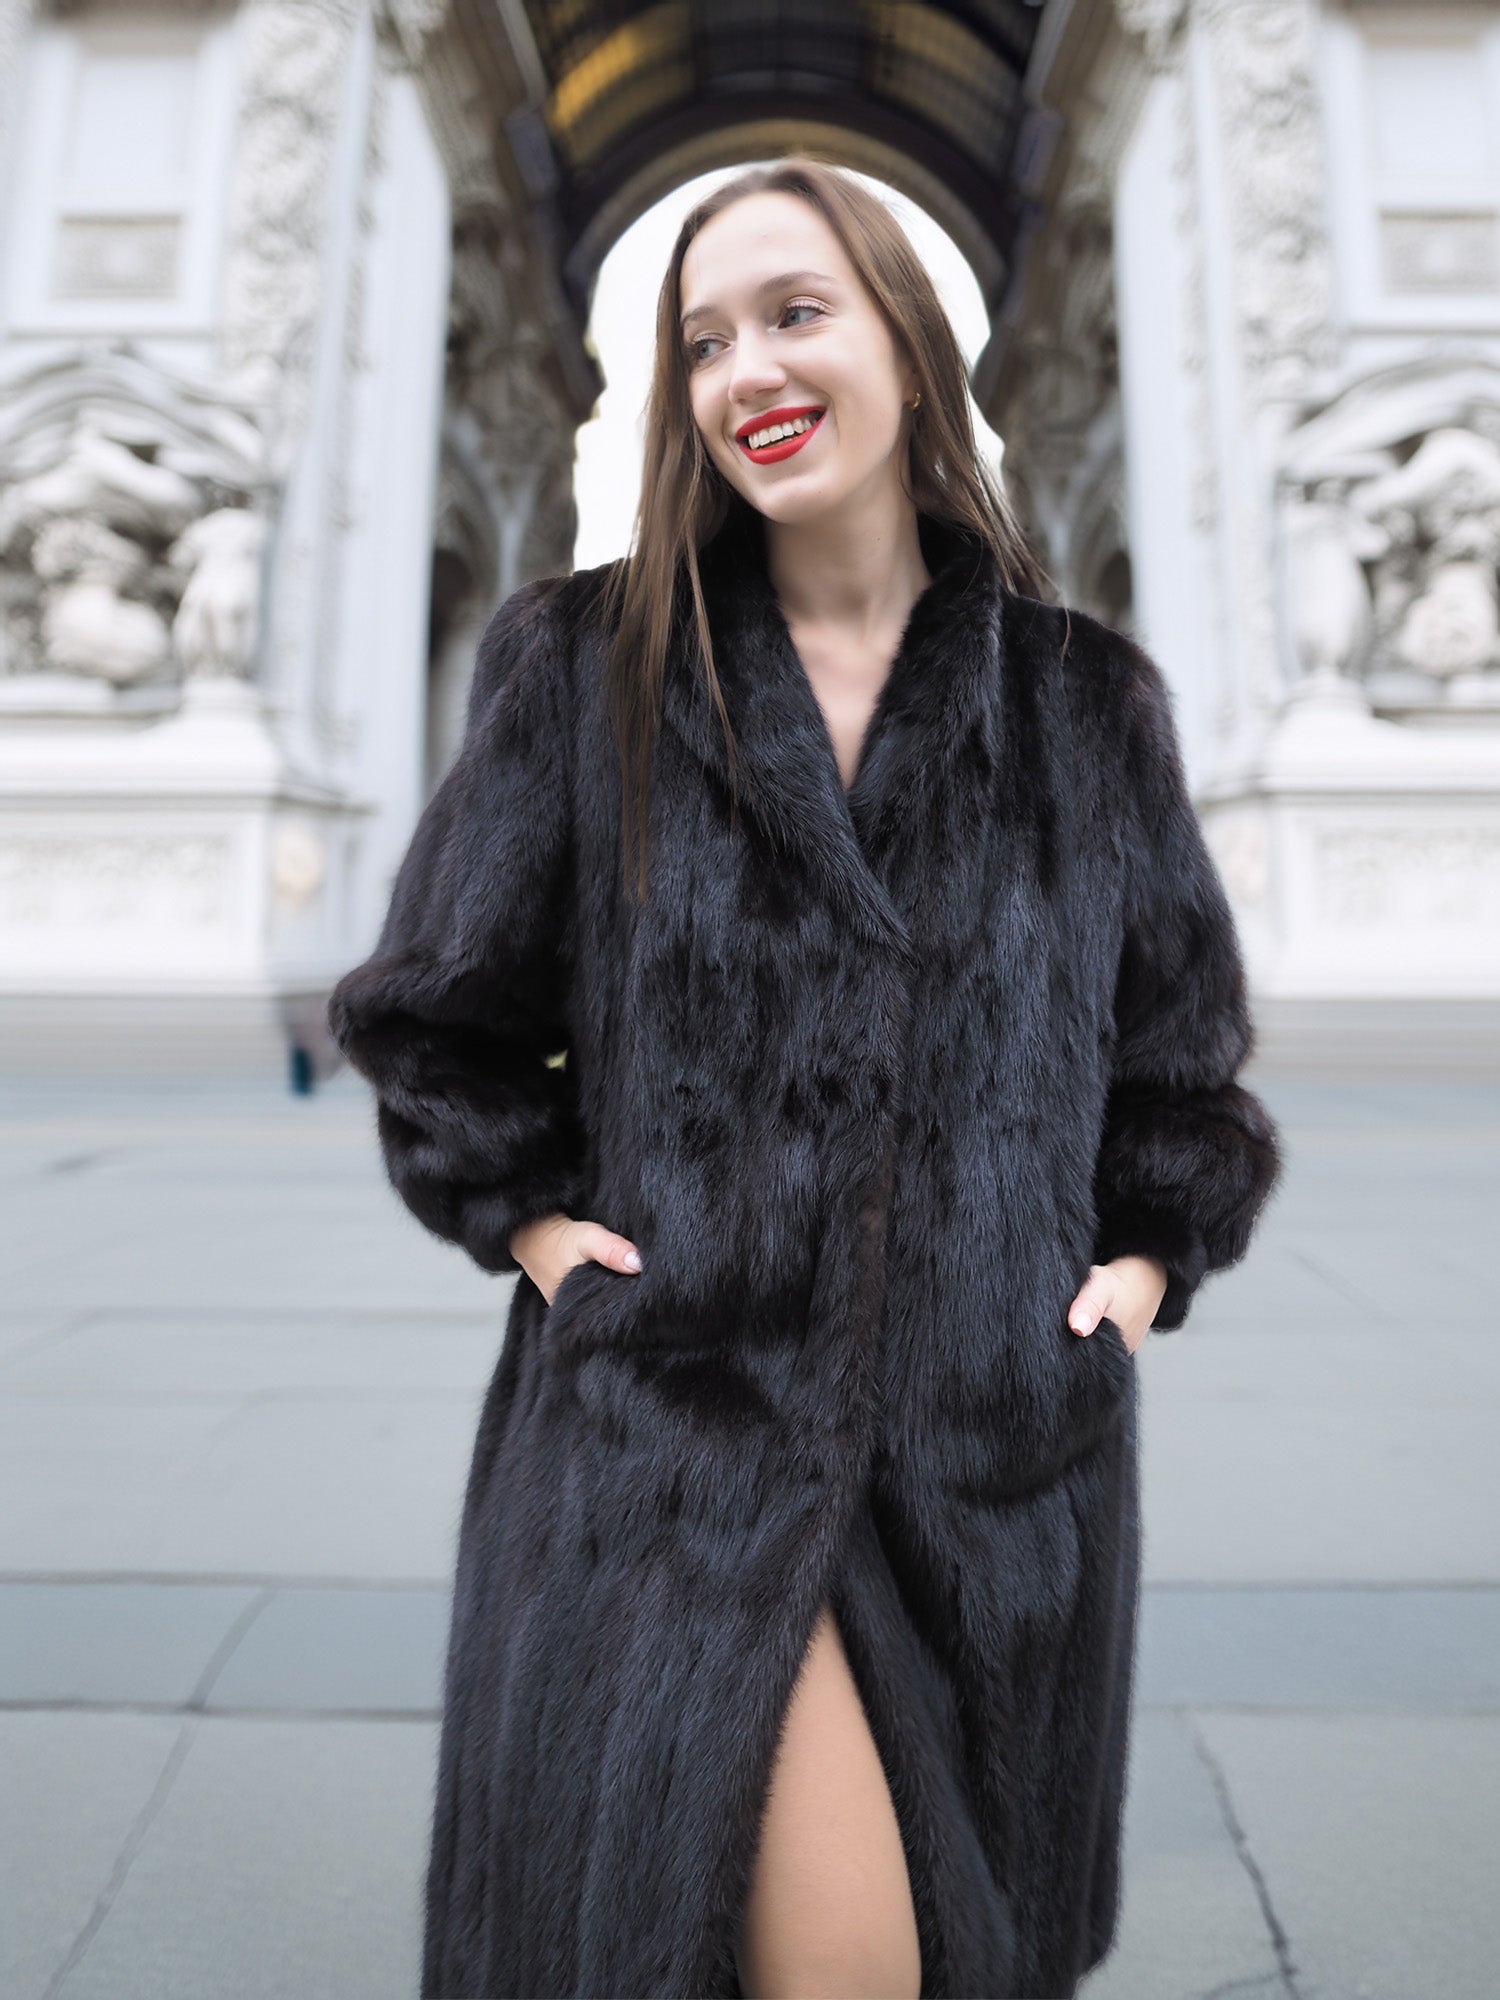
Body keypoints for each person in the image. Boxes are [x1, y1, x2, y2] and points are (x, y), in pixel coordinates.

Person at [328, 155, 1283, 2000]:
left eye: (794, 312)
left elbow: (1178, 1055)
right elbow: (430, 1016)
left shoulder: (1087, 706)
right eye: (702, 338)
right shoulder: (587, 668)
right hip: (677, 1421)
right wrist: (538, 1228)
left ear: (911, 352)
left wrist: (1138, 1268)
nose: (744, 367)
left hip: (992, 1445)